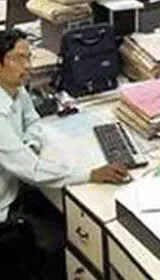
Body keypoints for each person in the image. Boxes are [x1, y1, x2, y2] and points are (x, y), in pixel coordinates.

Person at [0, 29, 129, 279]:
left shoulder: (14, 87)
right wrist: (91, 174)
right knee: (68, 234)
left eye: (28, 57)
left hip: (17, 186)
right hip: (6, 208)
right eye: (19, 58)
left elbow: (33, 121)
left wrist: (30, 145)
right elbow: (33, 171)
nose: (27, 66)